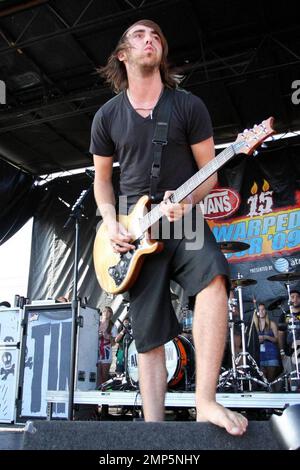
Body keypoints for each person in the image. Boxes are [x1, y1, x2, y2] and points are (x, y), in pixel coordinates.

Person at [90, 19, 247, 435]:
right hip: (133, 225)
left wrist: (189, 200)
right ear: (123, 55)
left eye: (157, 35)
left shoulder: (188, 105)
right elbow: (102, 179)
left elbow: (208, 175)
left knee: (214, 277)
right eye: (139, 35)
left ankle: (207, 402)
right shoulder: (107, 116)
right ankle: (153, 431)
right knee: (149, 333)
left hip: (183, 216)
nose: (150, 39)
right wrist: (109, 222)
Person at [252, 303, 281, 381]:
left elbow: (277, 340)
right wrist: (257, 340)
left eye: (263, 309)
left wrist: (266, 337)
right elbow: (251, 341)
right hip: (260, 356)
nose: (261, 311)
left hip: (271, 354)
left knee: (271, 380)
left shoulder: (272, 324)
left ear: (266, 311)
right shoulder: (254, 325)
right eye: (259, 310)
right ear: (256, 312)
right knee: (263, 380)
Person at [278, 290, 300, 377]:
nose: (295, 299)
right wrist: (282, 351)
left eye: (298, 297)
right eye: (292, 297)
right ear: (289, 300)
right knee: (291, 377)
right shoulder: (285, 315)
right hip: (289, 352)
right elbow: (280, 335)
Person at [97, 306, 117, 387]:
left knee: (104, 376)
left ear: (111, 314)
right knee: (97, 375)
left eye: (108, 311)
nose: (106, 313)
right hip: (96, 351)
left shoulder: (113, 326)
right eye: (105, 311)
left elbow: (113, 343)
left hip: (106, 352)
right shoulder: (97, 323)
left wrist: (107, 337)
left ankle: (103, 393)